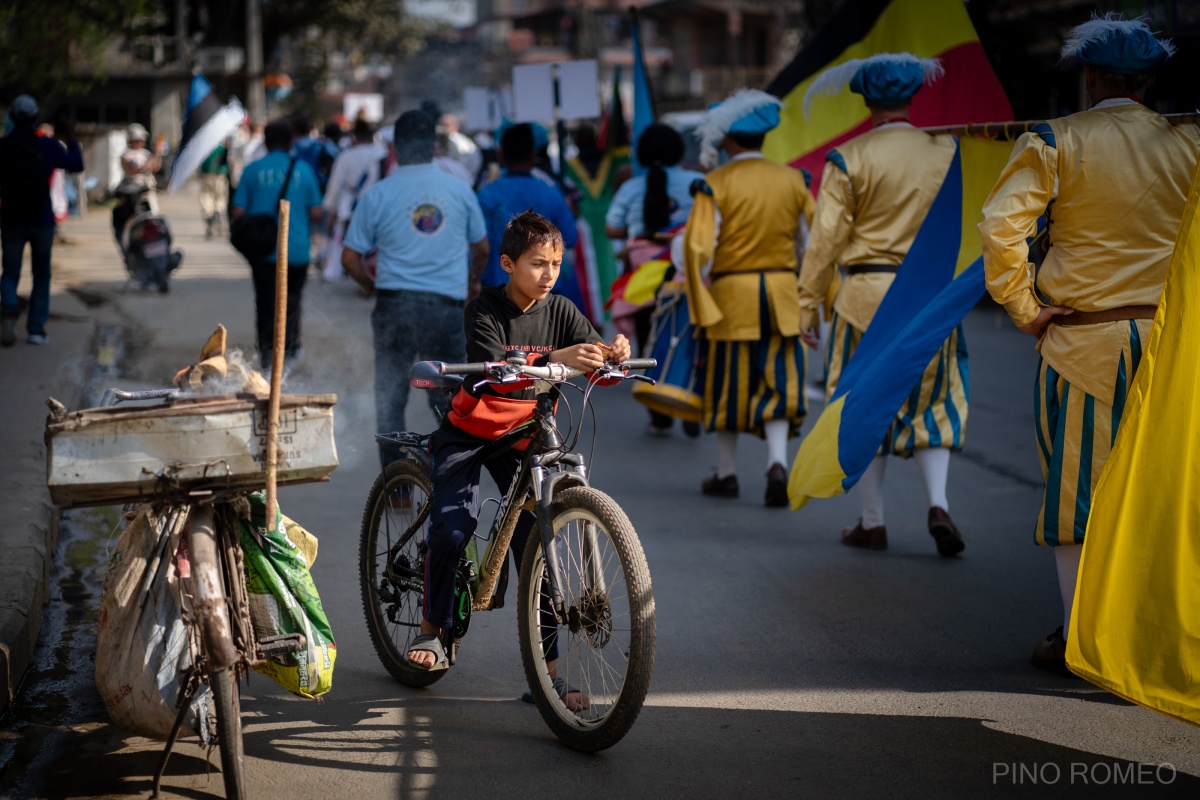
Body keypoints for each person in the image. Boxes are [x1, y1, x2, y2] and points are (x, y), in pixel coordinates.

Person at [980, 15, 1200, 675]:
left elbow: (999, 228)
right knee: (1166, 493)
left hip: (1084, 344)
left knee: (1079, 498)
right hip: (1175, 345)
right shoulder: (1189, 144)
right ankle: (1150, 633)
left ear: (1091, 77)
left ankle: (1082, 640)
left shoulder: (1054, 139)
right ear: (1152, 80)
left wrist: (1024, 308)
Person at [403, 210, 631, 699]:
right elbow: (495, 369)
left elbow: (591, 357)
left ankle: (547, 677)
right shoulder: (483, 310)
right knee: (453, 526)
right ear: (506, 263)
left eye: (555, 263)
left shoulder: (563, 310)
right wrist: (555, 359)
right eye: (536, 263)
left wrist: (611, 355)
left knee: (539, 548)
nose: (548, 274)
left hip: (527, 432)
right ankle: (431, 626)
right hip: (471, 431)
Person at [796, 53, 967, 556]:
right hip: (932, 298)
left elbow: (824, 243)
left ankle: (873, 521)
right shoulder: (948, 148)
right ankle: (938, 503)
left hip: (863, 300)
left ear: (867, 101)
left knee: (863, 405)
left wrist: (809, 305)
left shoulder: (848, 157)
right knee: (934, 403)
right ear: (913, 96)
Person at [683, 90, 815, 507]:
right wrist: (814, 302)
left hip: (730, 298)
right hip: (783, 295)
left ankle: (726, 473)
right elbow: (811, 246)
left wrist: (696, 293)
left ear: (726, 139)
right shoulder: (794, 180)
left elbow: (698, 248)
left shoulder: (714, 183)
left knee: (728, 385)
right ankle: (777, 463)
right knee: (780, 380)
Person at [341, 110, 490, 467]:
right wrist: (471, 282)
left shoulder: (378, 193)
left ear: (395, 147)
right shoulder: (459, 189)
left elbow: (350, 259)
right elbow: (482, 248)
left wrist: (376, 288)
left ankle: (397, 485)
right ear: (435, 146)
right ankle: (452, 472)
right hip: (446, 308)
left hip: (395, 305)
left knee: (390, 397)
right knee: (449, 398)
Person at [606, 122, 705, 437]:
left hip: (645, 276)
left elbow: (613, 229)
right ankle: (693, 398)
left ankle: (659, 413)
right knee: (694, 337)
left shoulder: (631, 187)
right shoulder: (698, 181)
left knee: (649, 340)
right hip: (691, 270)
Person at [231, 119, 323, 368]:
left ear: (266, 142)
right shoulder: (303, 170)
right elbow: (316, 211)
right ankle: (290, 352)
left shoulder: (252, 170)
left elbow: (238, 211)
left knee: (265, 304)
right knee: (292, 302)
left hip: (264, 252)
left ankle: (267, 356)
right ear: (291, 142)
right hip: (296, 253)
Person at [0, 95, 83, 347]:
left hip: (11, 220)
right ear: (36, 117)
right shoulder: (47, 145)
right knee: (41, 274)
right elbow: (76, 165)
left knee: (10, 272)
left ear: (12, 117)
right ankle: (36, 328)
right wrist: (70, 136)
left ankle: (10, 309)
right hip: (42, 221)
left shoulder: (3, 146)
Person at [476, 123, 577, 288]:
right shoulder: (551, 192)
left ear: (501, 155)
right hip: (545, 292)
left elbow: (480, 244)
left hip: (502, 292)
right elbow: (570, 237)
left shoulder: (486, 195)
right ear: (532, 156)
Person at [320, 118, 380, 281]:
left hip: (349, 205)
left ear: (354, 137)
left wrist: (331, 209)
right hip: (377, 204)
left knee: (347, 242)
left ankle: (352, 274)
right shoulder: (380, 153)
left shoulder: (346, 156)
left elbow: (336, 184)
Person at [198, 140, 229, 239]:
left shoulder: (206, 150)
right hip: (218, 176)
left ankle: (212, 218)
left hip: (209, 176)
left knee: (208, 199)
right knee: (218, 199)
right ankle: (216, 216)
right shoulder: (222, 149)